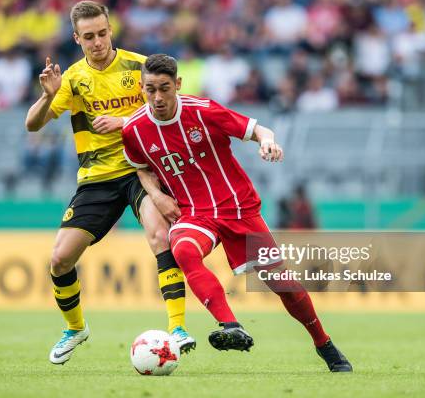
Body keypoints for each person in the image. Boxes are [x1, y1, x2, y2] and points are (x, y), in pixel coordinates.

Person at [122, 54, 352, 372]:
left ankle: (323, 343)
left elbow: (260, 130)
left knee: (282, 283)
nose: (158, 97)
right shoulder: (134, 129)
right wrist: (157, 196)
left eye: (164, 88)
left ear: (177, 84)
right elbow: (142, 168)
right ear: (141, 87)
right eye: (150, 90)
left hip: (237, 207)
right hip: (194, 212)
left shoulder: (204, 111)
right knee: (185, 251)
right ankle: (231, 326)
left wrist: (268, 143)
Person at [24, 1, 195, 365]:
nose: (98, 42)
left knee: (160, 235)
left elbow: (171, 107)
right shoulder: (71, 79)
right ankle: (76, 328)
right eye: (89, 37)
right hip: (96, 179)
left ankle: (177, 328)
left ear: (110, 30)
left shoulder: (139, 67)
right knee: (59, 259)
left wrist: (124, 121)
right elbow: (32, 125)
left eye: (102, 33)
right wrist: (48, 95)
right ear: (77, 38)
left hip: (141, 170)